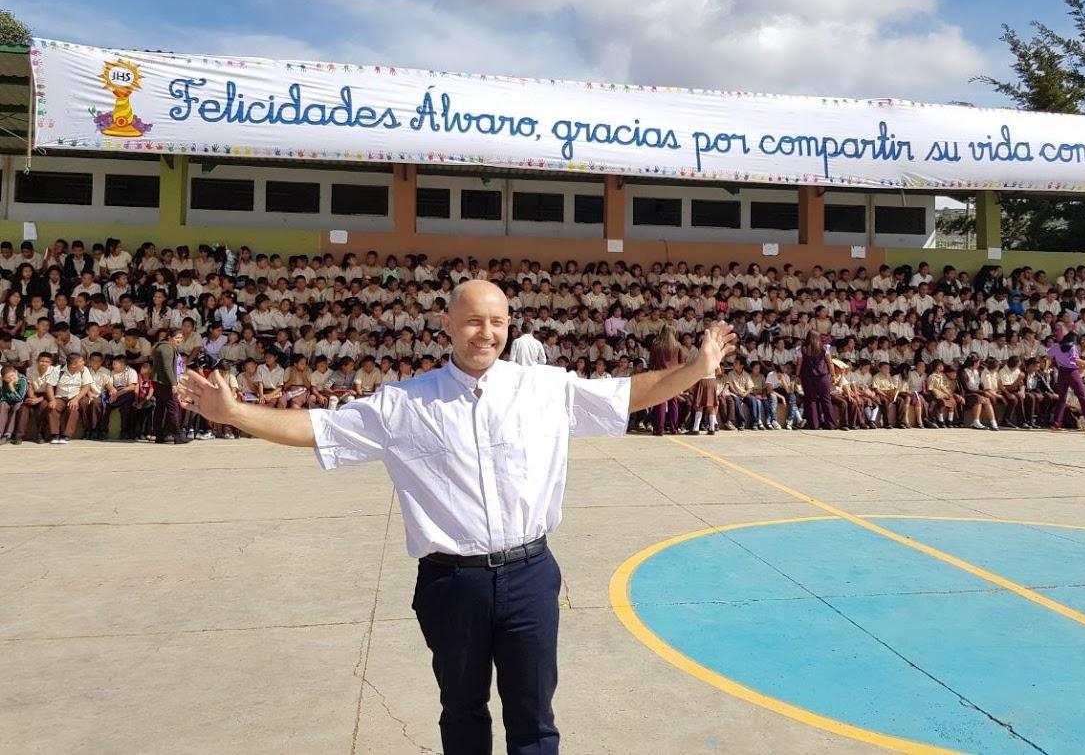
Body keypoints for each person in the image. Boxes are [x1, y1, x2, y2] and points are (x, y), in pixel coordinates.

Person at [178, 280, 736, 755]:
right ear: (446, 324)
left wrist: (697, 367)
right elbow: (316, 429)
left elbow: (630, 394)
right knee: (462, 713)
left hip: (530, 576)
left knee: (534, 720)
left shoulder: (546, 390)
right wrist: (234, 413)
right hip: (451, 583)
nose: (485, 333)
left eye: (496, 322)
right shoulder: (404, 404)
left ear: (509, 325)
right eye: (472, 321)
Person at [1048, 332, 1085, 432]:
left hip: (1062, 372)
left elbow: (1049, 355)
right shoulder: (1072, 347)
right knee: (1082, 397)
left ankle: (1056, 424)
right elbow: (1075, 360)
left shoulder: (1056, 346)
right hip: (1072, 372)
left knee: (1062, 399)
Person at [150, 329, 189, 444]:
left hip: (159, 381)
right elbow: (167, 367)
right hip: (164, 382)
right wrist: (173, 383)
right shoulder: (167, 348)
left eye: (181, 338)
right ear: (170, 338)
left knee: (160, 408)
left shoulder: (164, 347)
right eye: (177, 338)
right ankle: (177, 436)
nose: (179, 340)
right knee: (173, 409)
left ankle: (159, 435)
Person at [799, 331, 835, 430]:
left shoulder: (803, 349)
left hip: (808, 377)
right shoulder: (824, 348)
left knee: (811, 400)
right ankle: (830, 424)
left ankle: (815, 425)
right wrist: (833, 374)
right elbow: (830, 363)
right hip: (822, 377)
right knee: (826, 399)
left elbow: (799, 364)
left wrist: (797, 375)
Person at [0, 363, 29, 443]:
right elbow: (4, 395)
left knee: (17, 406)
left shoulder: (22, 380)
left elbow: (20, 398)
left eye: (12, 375)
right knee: (2, 405)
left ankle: (8, 434)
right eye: (7, 378)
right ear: (3, 378)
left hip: (20, 402)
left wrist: (12, 388)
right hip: (8, 401)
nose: (11, 379)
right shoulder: (4, 382)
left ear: (16, 372)